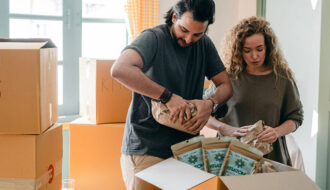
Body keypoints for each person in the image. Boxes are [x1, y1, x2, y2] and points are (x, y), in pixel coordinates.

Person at [111, 0, 233, 189]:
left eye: (197, 34)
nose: (188, 39)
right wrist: (168, 97)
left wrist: (210, 103)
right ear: (174, 17)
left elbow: (226, 85)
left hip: (185, 151)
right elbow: (120, 69)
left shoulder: (204, 45)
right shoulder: (153, 38)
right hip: (146, 149)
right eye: (184, 30)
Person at [205, 16, 304, 166]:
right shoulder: (228, 78)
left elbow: (296, 118)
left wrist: (276, 132)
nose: (254, 56)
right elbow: (202, 114)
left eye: (259, 49)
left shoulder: (283, 78)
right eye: (247, 51)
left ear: (268, 47)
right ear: (238, 50)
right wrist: (225, 128)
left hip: (272, 159)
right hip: (230, 159)